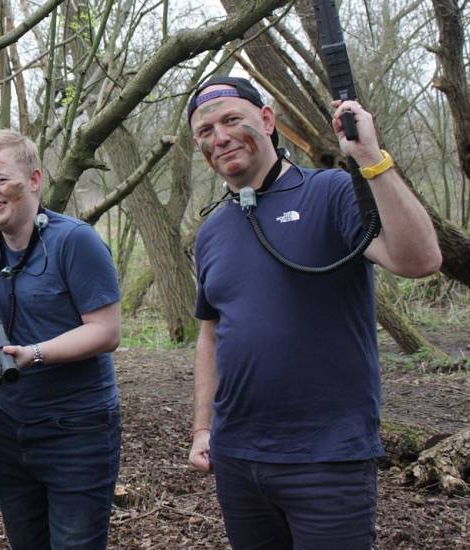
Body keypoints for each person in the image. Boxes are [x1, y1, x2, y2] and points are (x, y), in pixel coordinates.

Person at [186, 76, 442, 548]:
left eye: (231, 120)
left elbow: (420, 261)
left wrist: (370, 158)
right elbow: (211, 333)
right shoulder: (213, 230)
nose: (217, 137)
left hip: (326, 459)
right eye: (204, 130)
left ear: (266, 120)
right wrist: (203, 428)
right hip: (238, 459)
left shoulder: (332, 192)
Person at [0, 129, 123, 549]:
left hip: (80, 430)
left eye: (1, 179)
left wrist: (35, 354)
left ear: (35, 180)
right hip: (13, 429)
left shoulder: (75, 241)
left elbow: (106, 332)